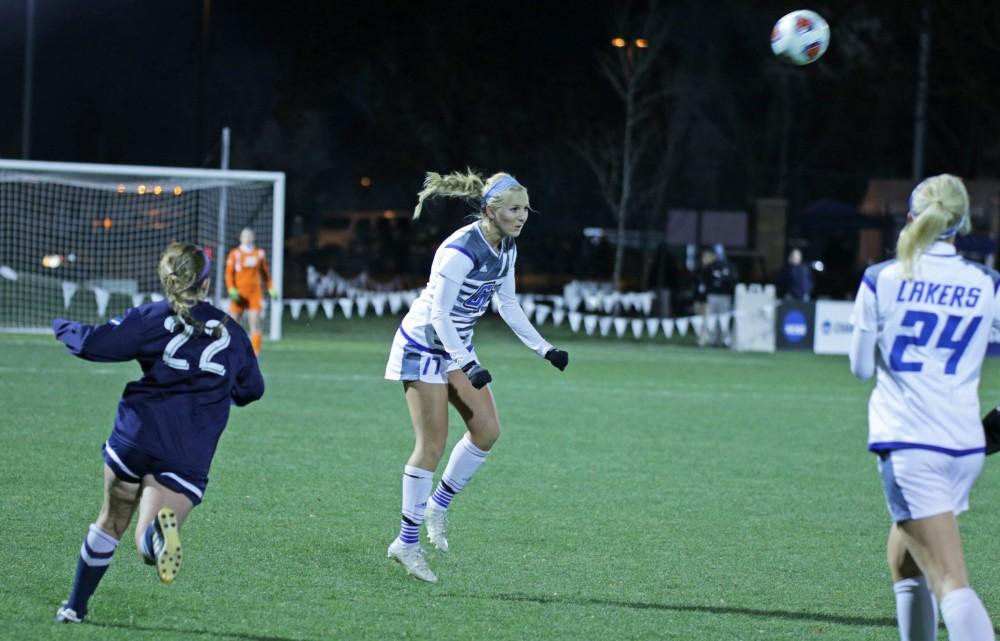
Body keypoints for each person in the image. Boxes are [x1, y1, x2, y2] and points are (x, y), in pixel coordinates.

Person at [53, 243, 264, 624]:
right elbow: (252, 390)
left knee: (110, 521)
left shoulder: (151, 316)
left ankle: (74, 607)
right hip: (187, 447)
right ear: (206, 281)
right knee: (146, 540)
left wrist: (60, 326)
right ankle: (154, 538)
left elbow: (92, 343)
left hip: (134, 435)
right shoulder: (231, 331)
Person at [383, 170, 569, 583]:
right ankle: (406, 543)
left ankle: (438, 505)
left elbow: (507, 304)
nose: (522, 216)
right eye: (514, 209)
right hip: (424, 346)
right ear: (490, 210)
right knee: (430, 446)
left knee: (487, 430)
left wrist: (544, 348)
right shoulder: (460, 251)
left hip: (457, 351)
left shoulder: (507, 249)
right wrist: (466, 362)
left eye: (525, 209)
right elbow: (439, 314)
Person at [849, 174, 997, 641]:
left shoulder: (882, 278)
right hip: (966, 446)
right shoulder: (987, 282)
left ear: (911, 218)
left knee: (951, 582)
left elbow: (858, 369)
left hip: (912, 445)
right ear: (964, 223)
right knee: (903, 556)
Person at [225, 228, 277, 355]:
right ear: (240, 238)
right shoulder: (234, 253)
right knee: (233, 323)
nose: (247, 238)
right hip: (239, 294)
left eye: (249, 236)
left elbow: (266, 274)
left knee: (254, 322)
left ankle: (255, 353)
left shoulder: (259, 254)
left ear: (253, 238)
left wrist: (271, 287)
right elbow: (228, 274)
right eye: (245, 236)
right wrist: (231, 288)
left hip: (255, 293)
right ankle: (232, 350)